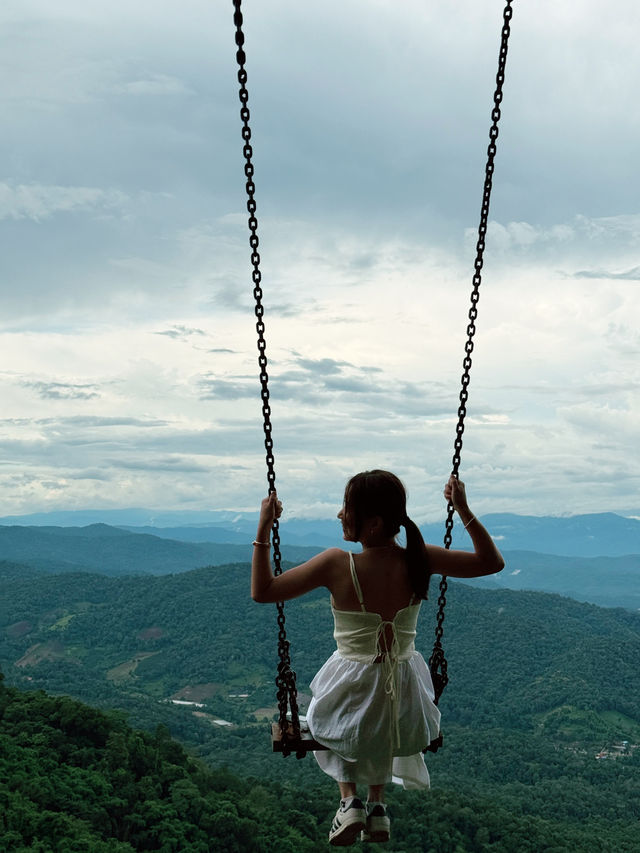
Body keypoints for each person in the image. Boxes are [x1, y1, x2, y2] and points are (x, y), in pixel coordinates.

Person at [251, 470, 504, 846]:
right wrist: (463, 509)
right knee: (377, 719)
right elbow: (491, 562)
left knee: (335, 722)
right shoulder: (421, 558)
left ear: (373, 522)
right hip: (408, 706)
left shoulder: (337, 564)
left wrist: (264, 527)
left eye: (346, 508)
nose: (340, 514)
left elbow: (264, 590)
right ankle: (378, 805)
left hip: (351, 688)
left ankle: (349, 800)